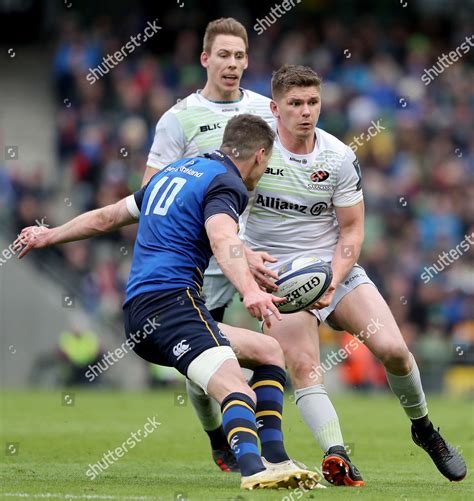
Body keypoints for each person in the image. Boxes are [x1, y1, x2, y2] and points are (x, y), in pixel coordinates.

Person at [15, 115, 322, 491]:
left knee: (269, 350)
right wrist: (251, 289)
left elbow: (108, 217)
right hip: (172, 305)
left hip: (143, 308)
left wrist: (50, 235)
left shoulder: (176, 171)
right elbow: (222, 240)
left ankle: (276, 457)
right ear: (260, 156)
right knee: (236, 389)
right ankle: (253, 470)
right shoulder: (228, 185)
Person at [243, 64, 467, 485]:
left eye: (312, 102)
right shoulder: (256, 152)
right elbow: (226, 216)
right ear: (275, 107)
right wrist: (246, 258)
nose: (305, 111)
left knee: (396, 350)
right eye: (295, 103)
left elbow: (352, 231)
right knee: (306, 365)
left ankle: (424, 429)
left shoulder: (338, 156)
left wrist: (332, 277)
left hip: (334, 270)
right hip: (278, 281)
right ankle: (337, 455)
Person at [142, 17, 275, 471]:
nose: (233, 64)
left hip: (255, 251)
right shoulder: (178, 118)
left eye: (240, 55)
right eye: (223, 54)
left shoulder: (264, 111)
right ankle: (220, 438)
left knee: (280, 347)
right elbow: (151, 194)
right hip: (204, 261)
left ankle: (278, 451)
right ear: (205, 59)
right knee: (207, 366)